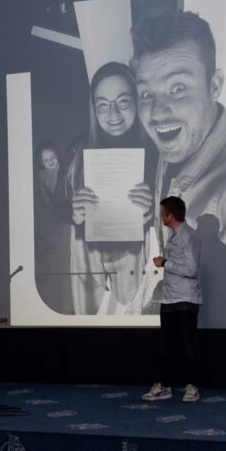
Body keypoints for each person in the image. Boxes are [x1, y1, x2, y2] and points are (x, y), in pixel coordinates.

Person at [131, 8, 226, 309]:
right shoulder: (175, 147)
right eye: (146, 94)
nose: (157, 113)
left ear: (214, 86)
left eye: (178, 89)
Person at [56, 61, 156, 314]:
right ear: (94, 108)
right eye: (103, 104)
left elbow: (181, 208)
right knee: (92, 329)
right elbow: (58, 203)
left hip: (140, 257)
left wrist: (154, 210)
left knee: (139, 319)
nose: (113, 114)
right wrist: (73, 211)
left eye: (123, 102)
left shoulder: (157, 150)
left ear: (136, 101)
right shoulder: (77, 149)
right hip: (88, 256)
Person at [143, 196, 202, 402]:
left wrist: (164, 263)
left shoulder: (188, 236)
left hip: (185, 298)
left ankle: (192, 386)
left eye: (163, 213)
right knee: (166, 345)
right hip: (169, 298)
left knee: (188, 344)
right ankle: (164, 386)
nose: (161, 217)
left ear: (170, 214)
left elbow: (191, 269)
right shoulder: (173, 234)